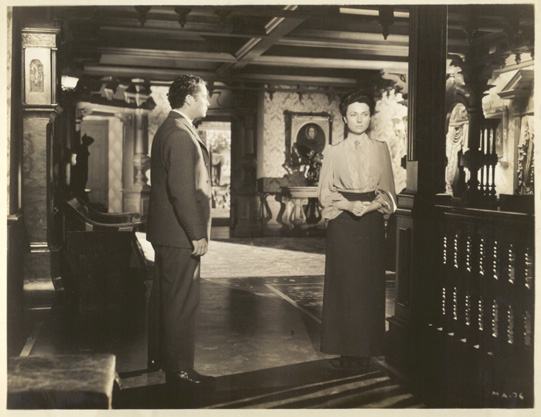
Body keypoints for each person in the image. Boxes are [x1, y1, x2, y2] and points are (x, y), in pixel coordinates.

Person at [317, 90, 397, 370]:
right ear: (344, 118)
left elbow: (388, 191)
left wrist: (371, 206)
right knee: (343, 286)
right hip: (342, 222)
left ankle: (366, 350)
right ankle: (344, 351)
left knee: (368, 286)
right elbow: (325, 193)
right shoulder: (333, 151)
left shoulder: (381, 148)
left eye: (364, 114)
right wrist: (349, 205)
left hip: (371, 225)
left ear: (370, 117)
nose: (359, 120)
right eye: (353, 114)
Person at [146, 74, 214, 387]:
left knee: (167, 299)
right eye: (204, 96)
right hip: (179, 235)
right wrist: (196, 234)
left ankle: (162, 359)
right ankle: (180, 369)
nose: (208, 101)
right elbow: (182, 192)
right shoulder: (179, 133)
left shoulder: (173, 128)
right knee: (182, 302)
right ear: (189, 99)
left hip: (168, 233)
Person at [70, 133, 94, 199]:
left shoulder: (84, 148)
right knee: (81, 182)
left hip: (83, 168)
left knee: (83, 181)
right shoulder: (82, 148)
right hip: (81, 169)